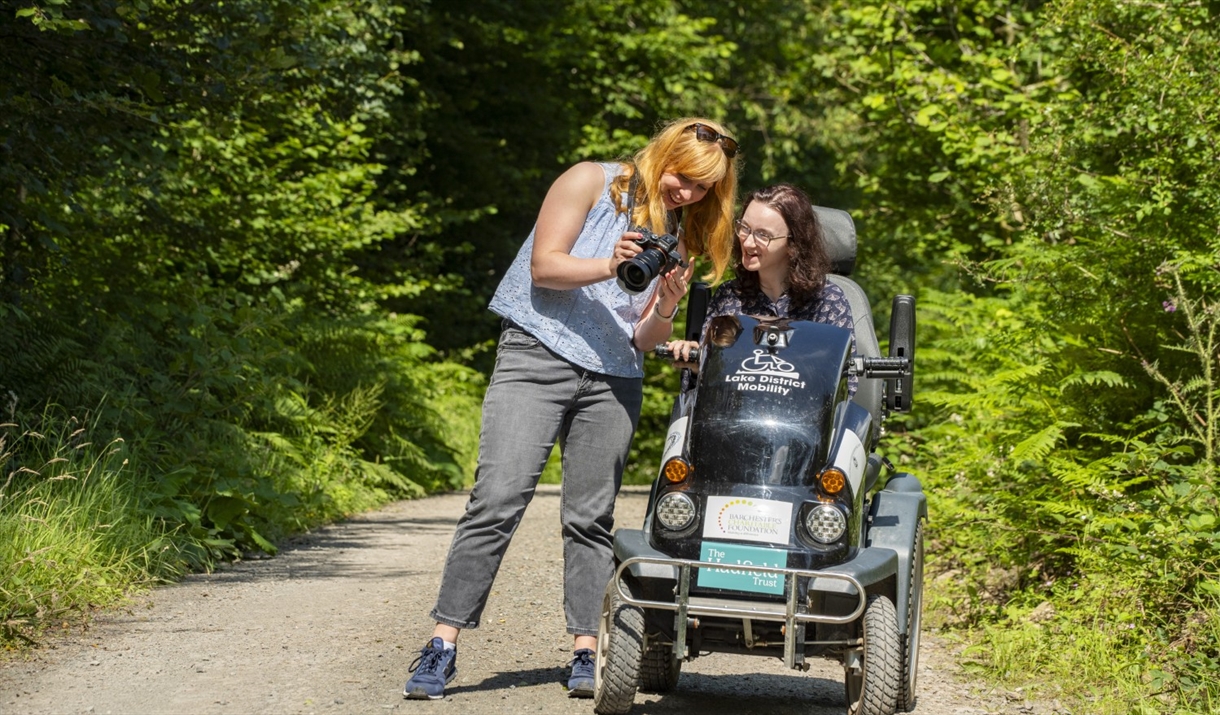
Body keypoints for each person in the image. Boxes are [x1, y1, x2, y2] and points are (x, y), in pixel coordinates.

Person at [402, 118, 740, 701]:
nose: (686, 193)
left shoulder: (677, 238)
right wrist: (611, 264)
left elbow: (643, 339)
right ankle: (443, 643)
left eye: (703, 188)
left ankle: (588, 650)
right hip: (537, 354)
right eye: (683, 177)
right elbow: (545, 267)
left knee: (591, 517)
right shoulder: (590, 180)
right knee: (498, 499)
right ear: (663, 155)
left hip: (613, 375)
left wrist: (664, 304)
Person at [665, 183, 857, 396]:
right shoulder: (729, 297)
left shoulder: (827, 300)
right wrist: (695, 361)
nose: (747, 242)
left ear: (793, 244)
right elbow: (710, 382)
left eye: (763, 235)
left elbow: (847, 384)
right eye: (745, 228)